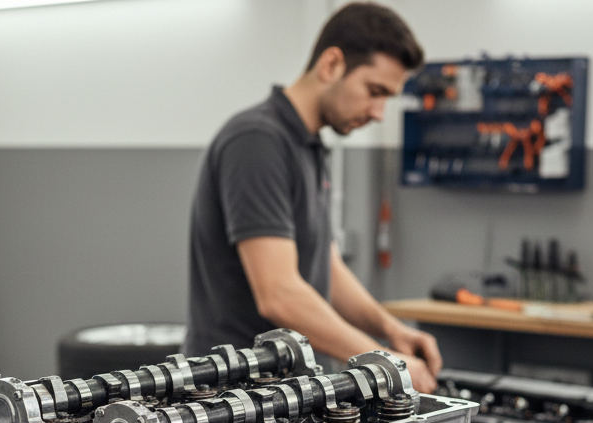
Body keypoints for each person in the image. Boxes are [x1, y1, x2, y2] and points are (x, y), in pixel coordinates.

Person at [185, 2, 441, 393]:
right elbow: (279, 294)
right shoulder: (257, 141)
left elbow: (327, 266)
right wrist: (383, 361)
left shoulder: (308, 147)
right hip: (230, 396)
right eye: (375, 92)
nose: (377, 113)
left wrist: (389, 330)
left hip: (285, 390)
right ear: (331, 65)